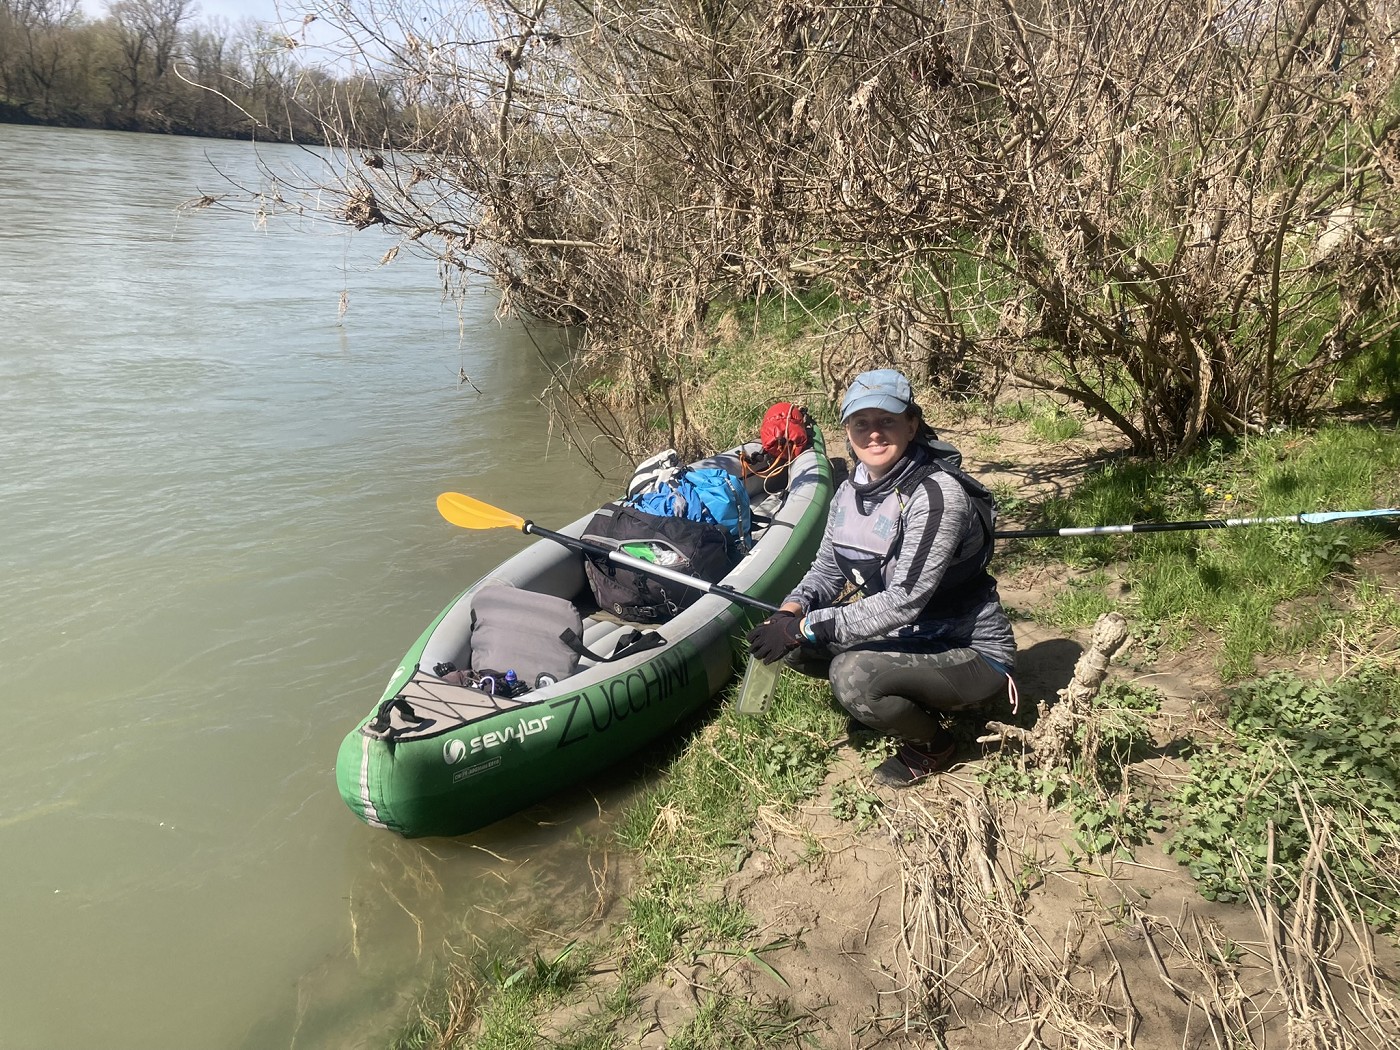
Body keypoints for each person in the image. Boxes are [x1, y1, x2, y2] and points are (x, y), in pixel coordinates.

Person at [745, 369, 1017, 785]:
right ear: (847, 432)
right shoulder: (847, 492)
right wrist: (791, 611)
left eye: (887, 420)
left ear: (911, 425)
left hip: (971, 651)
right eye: (861, 423)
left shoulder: (937, 495)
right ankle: (898, 700)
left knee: (850, 676)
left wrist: (807, 626)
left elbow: (905, 599)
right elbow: (826, 570)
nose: (874, 434)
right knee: (797, 648)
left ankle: (934, 747)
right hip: (909, 635)